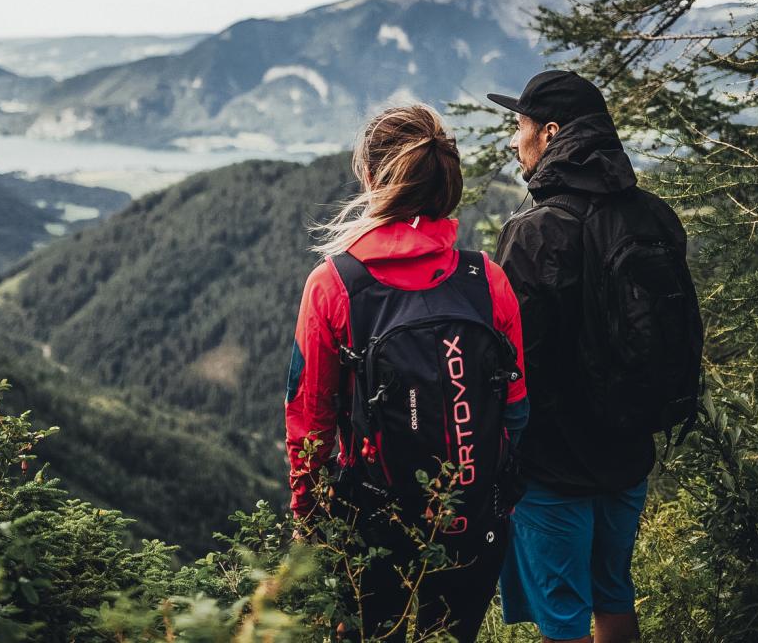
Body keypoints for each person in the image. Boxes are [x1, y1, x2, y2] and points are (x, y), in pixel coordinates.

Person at [284, 104, 529, 642]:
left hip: (371, 521)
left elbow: (309, 422)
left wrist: (308, 518)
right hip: (474, 517)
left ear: (371, 179)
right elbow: (516, 411)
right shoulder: (485, 279)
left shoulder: (333, 285)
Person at [487, 70, 701, 643]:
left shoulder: (534, 232)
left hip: (554, 468)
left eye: (521, 125)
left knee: (563, 618)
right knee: (614, 595)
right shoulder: (653, 216)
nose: (514, 139)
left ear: (550, 133)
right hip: (628, 452)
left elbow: (514, 362)